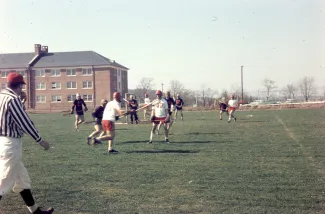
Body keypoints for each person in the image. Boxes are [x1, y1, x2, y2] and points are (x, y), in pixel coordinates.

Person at [0, 72, 54, 214]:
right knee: (4, 181)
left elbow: (10, 117)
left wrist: (21, 101)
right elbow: (24, 122)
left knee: (22, 179)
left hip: (3, 142)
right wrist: (40, 140)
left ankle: (35, 211)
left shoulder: (2, 97)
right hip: (11, 144)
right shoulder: (12, 99)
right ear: (19, 86)